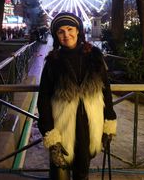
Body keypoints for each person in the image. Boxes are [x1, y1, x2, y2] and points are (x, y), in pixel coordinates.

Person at [37, 12, 117, 180]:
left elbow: (106, 91)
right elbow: (43, 99)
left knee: (82, 174)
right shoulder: (53, 61)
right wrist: (50, 135)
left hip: (89, 127)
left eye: (70, 29)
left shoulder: (94, 55)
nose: (66, 35)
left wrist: (109, 123)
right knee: (60, 175)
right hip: (62, 127)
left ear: (78, 30)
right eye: (60, 32)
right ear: (56, 36)